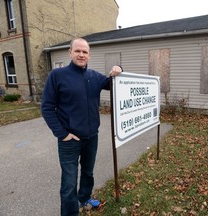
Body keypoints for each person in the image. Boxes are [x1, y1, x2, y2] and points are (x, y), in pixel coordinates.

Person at [41, 38, 122, 216]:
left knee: (88, 172)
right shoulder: (57, 76)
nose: (81, 54)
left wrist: (118, 70)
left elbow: (112, 83)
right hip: (69, 140)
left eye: (85, 52)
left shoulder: (94, 76)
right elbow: (47, 107)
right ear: (70, 52)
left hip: (91, 137)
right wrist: (62, 134)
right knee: (69, 183)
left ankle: (85, 198)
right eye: (77, 51)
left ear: (89, 55)